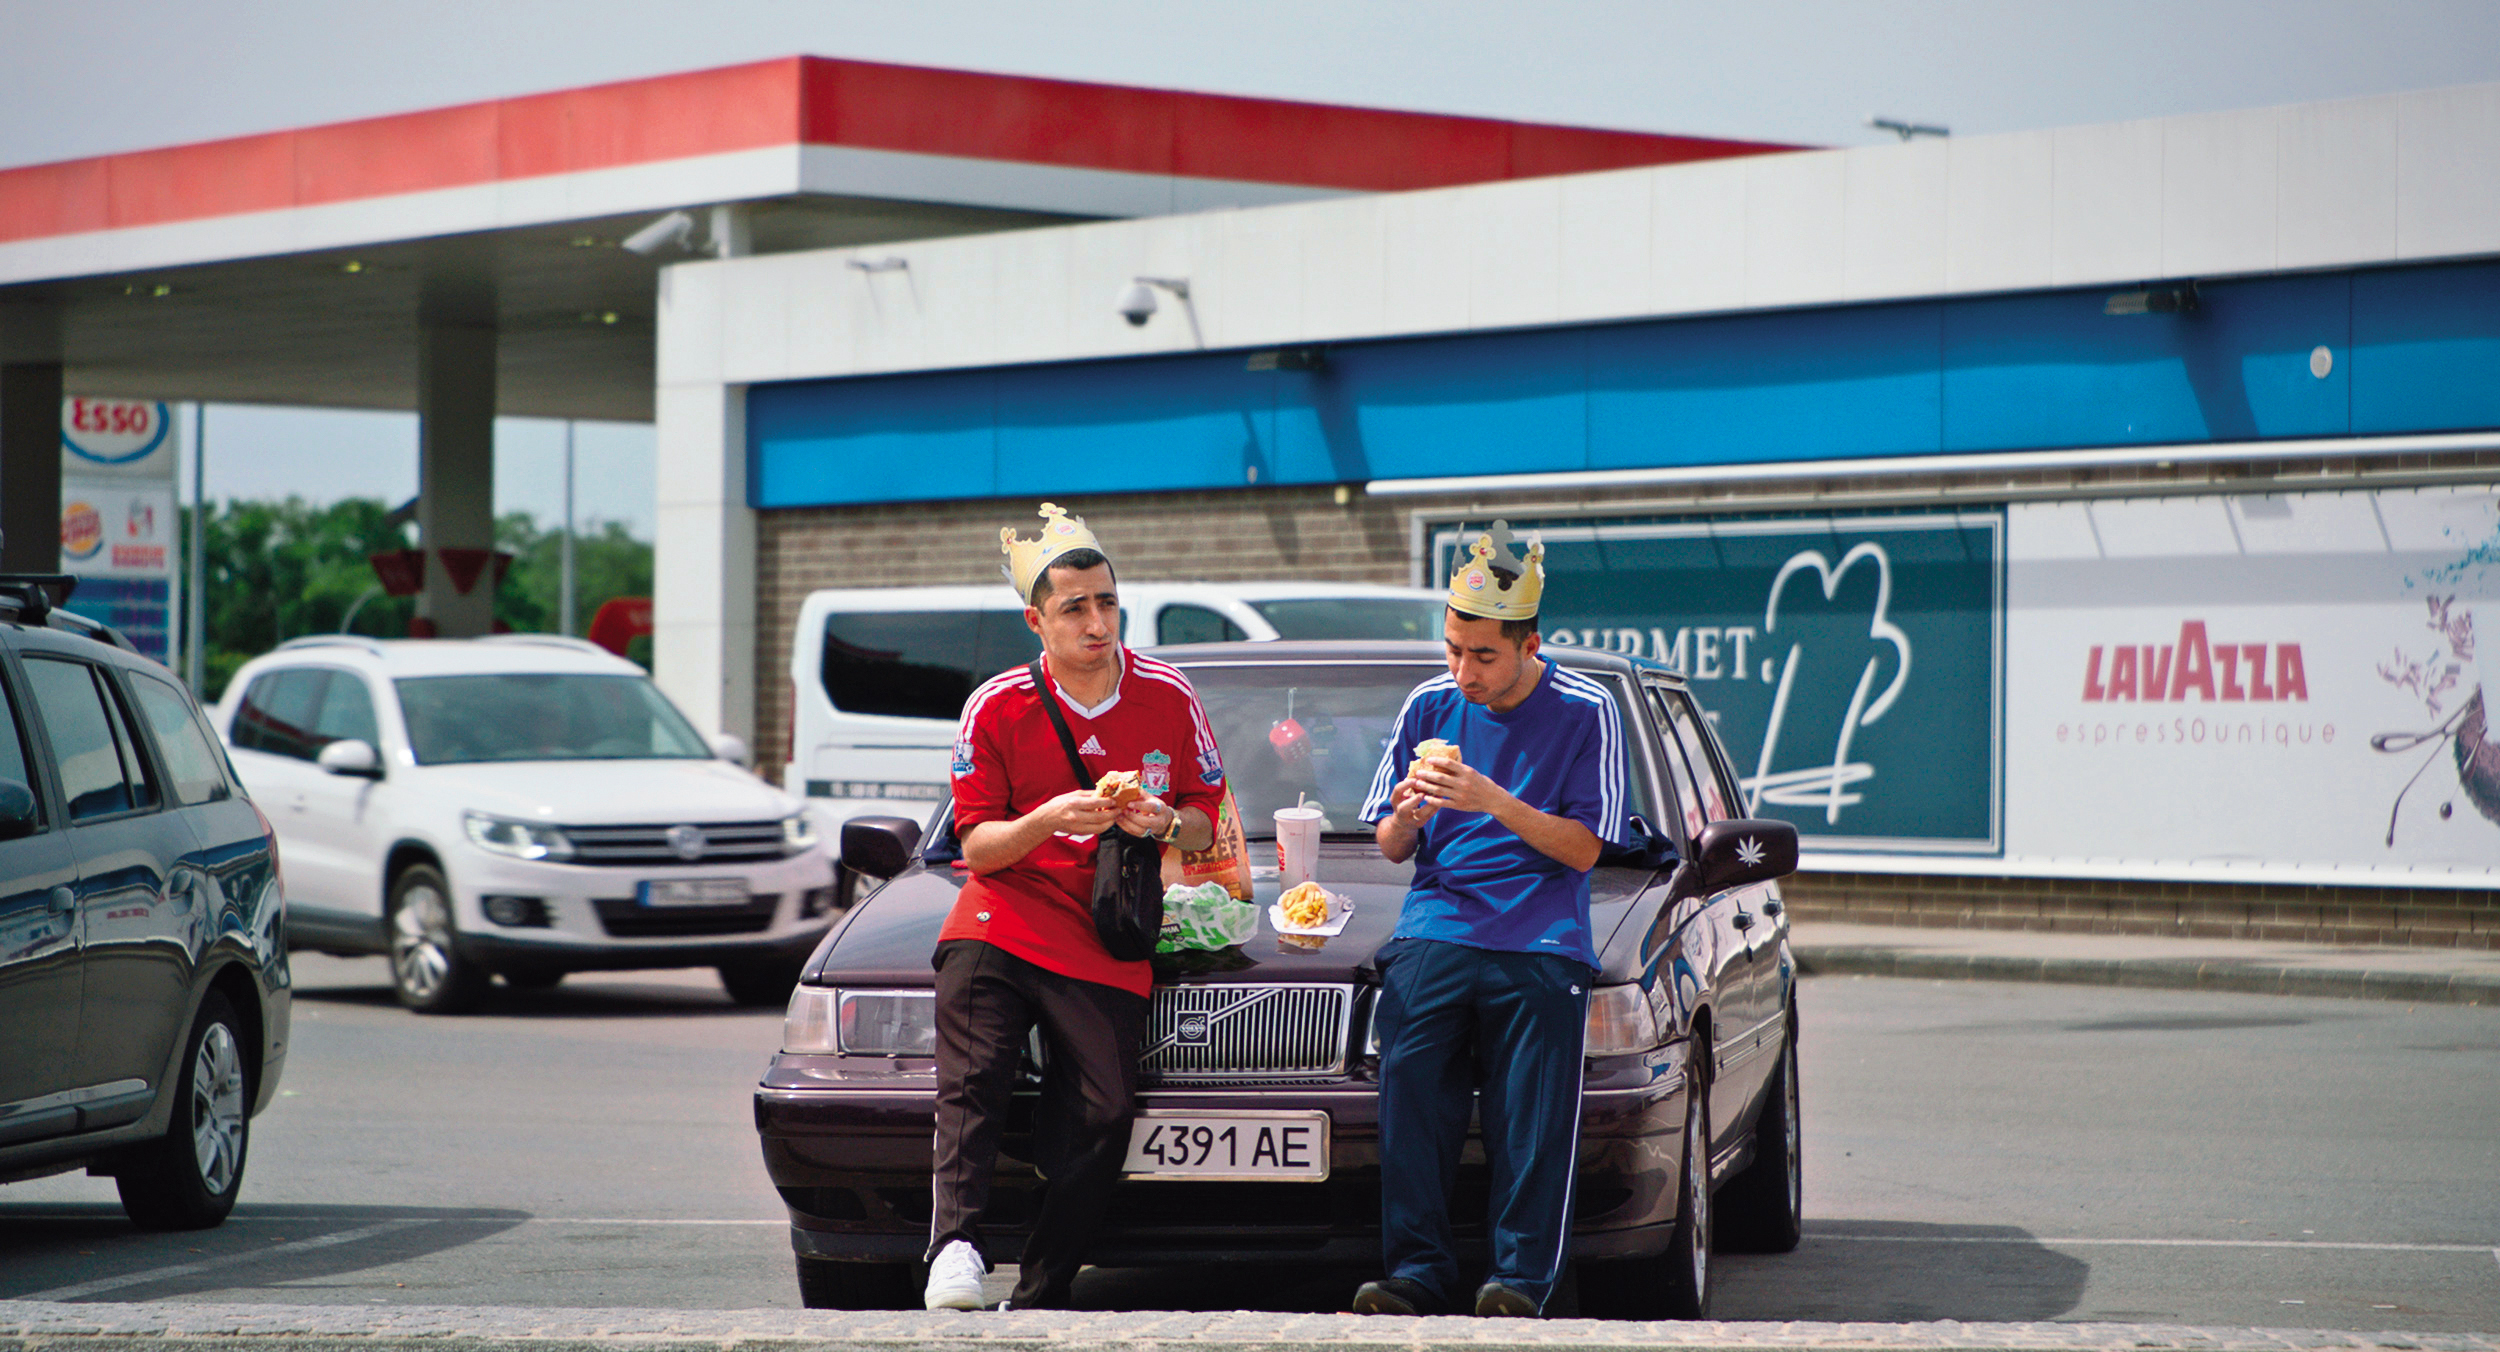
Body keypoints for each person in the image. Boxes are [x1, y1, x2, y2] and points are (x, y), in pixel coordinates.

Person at [923, 502, 1225, 1311]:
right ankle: (954, 1247)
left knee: (1103, 1111)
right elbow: (976, 846)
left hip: (1105, 929)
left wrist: (1162, 819)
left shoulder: (1169, 692)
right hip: (1004, 910)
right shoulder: (994, 704)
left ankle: (1044, 1284)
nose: (1097, 623)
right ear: (1037, 621)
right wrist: (1050, 818)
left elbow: (1204, 815)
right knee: (976, 1074)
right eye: (1075, 608)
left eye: (1107, 602)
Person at [1351, 521, 1627, 1319]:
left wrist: (1492, 801)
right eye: (1452, 650)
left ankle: (1519, 1279)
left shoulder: (1586, 709)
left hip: (1541, 935)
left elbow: (1584, 849)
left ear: (1530, 643)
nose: (1463, 672)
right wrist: (1407, 812)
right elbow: (1391, 845)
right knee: (1411, 1106)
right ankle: (1415, 1272)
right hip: (1437, 923)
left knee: (1530, 1121)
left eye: (1483, 655)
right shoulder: (1428, 702)